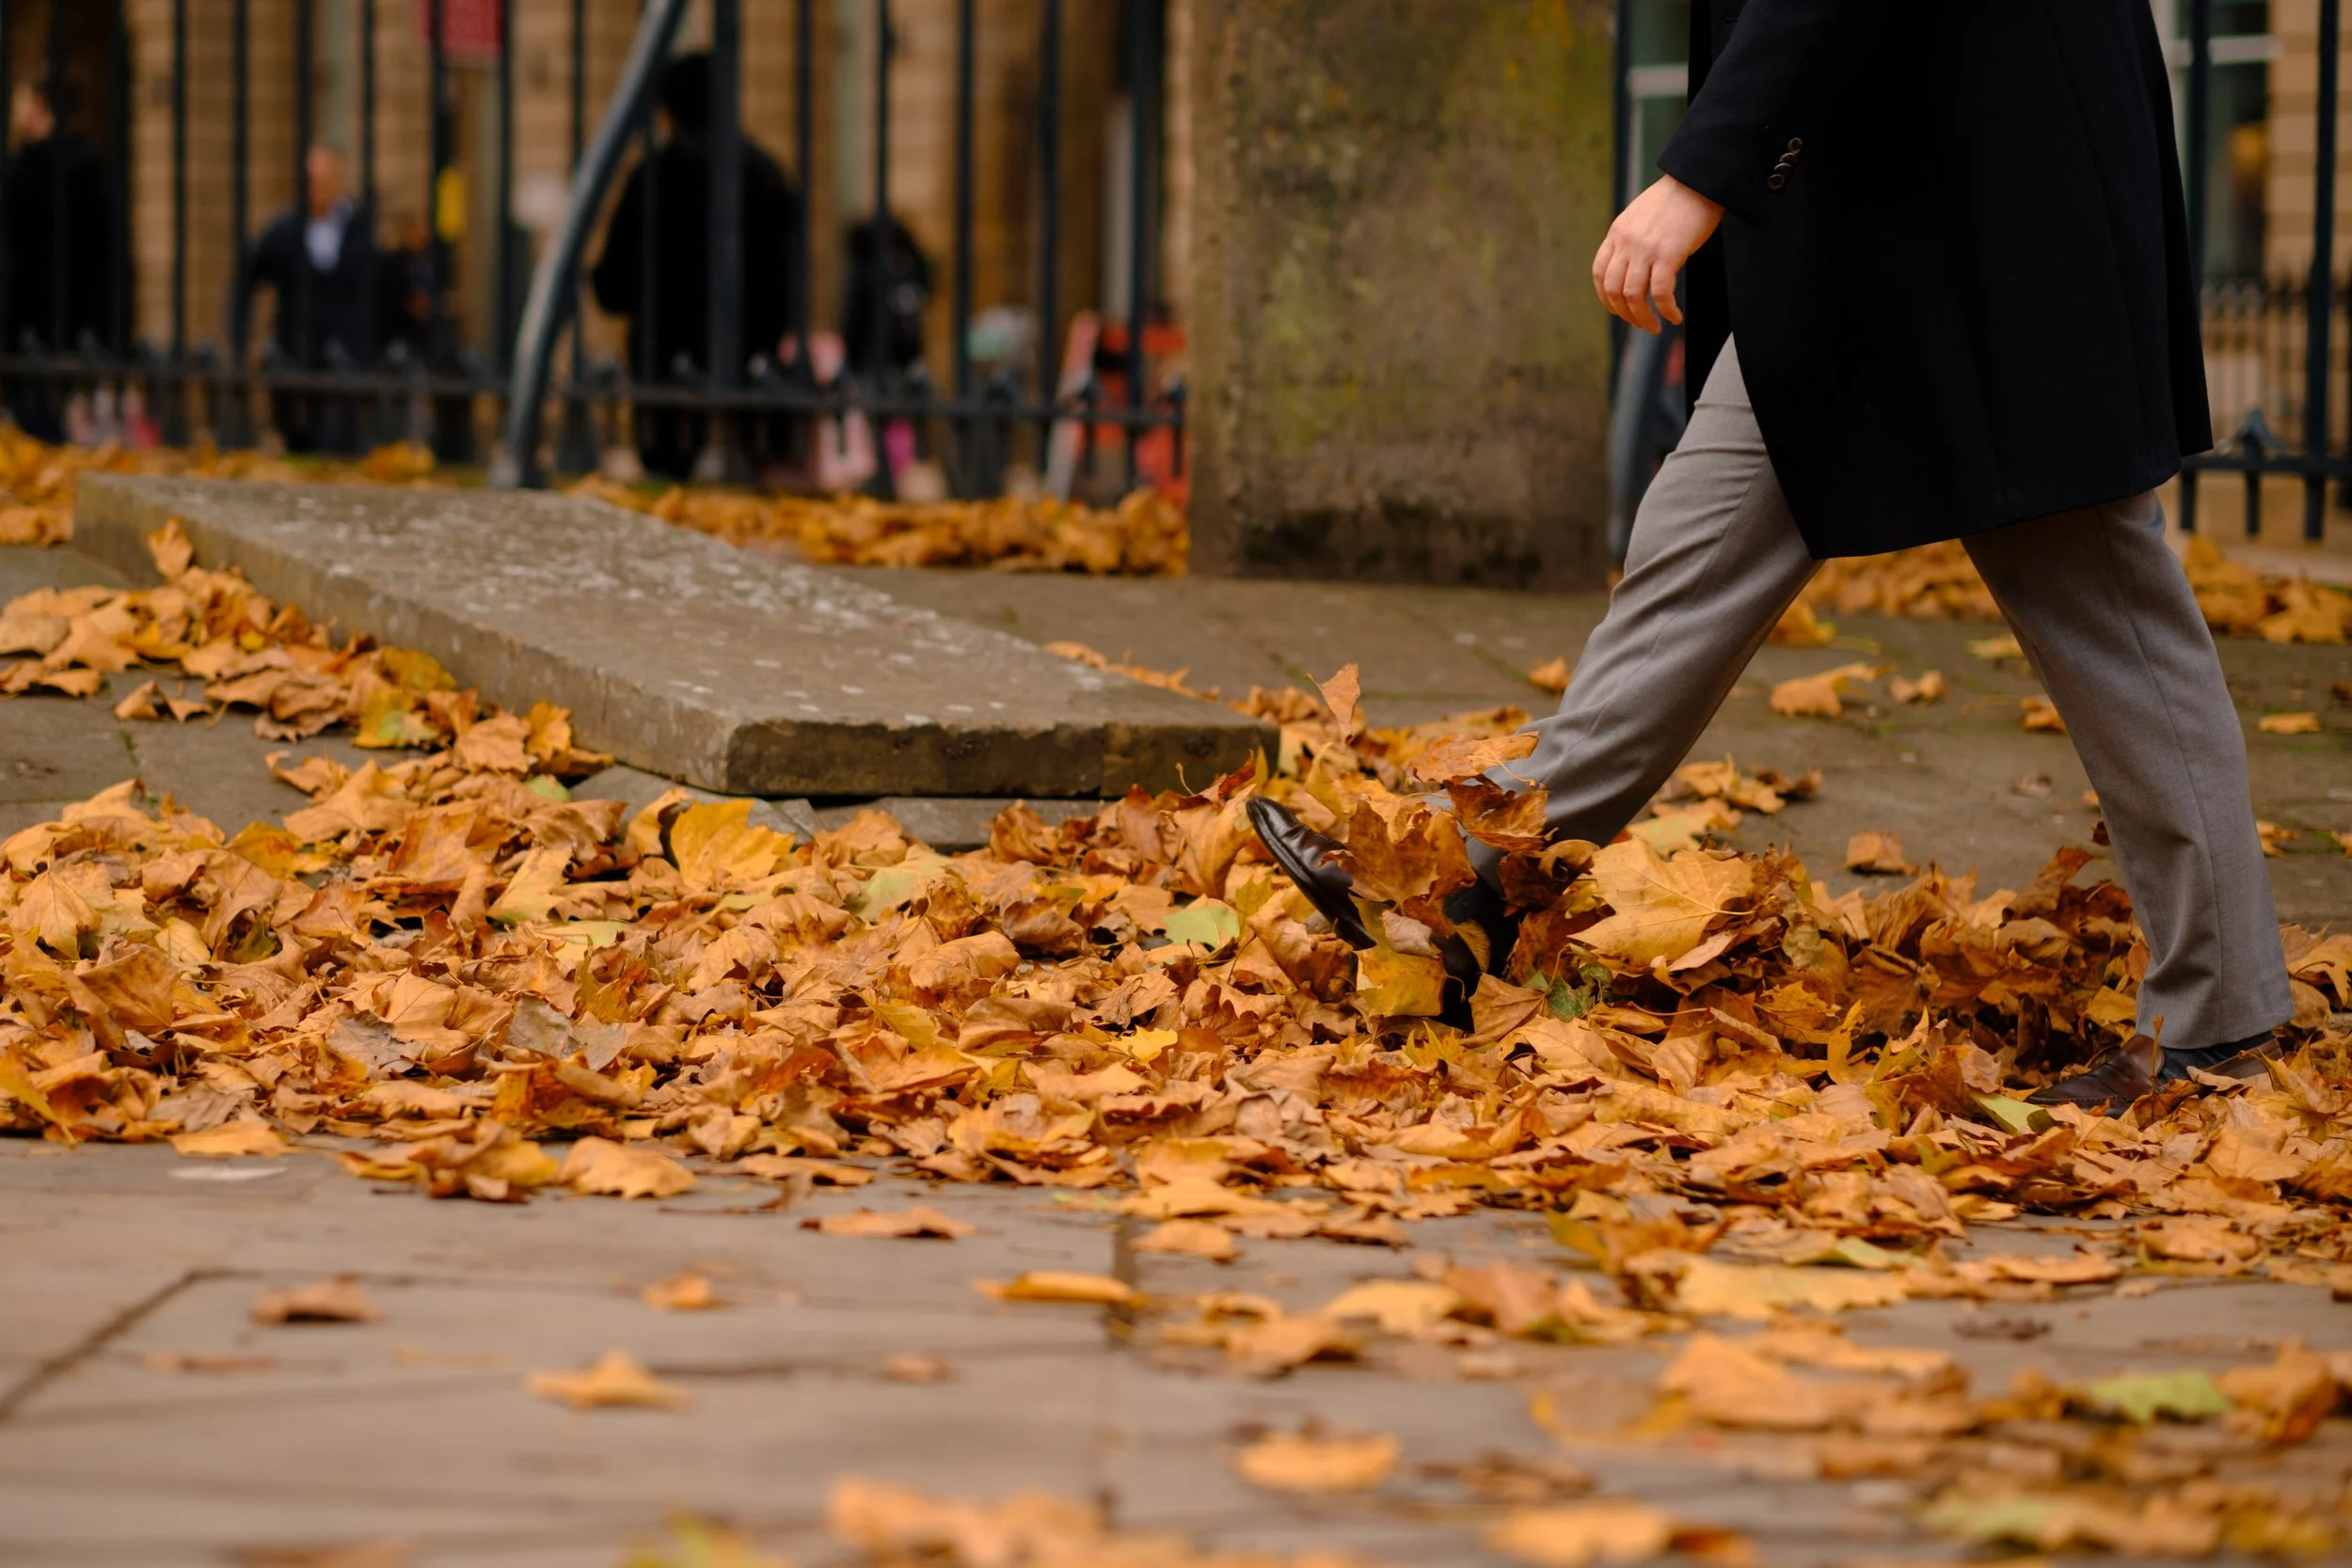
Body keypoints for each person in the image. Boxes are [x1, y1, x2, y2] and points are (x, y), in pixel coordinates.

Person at [1248, 0, 2291, 1115]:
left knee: (2100, 593)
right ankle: (1480, 875)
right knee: (1700, 534)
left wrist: (1700, 175)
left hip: (1989, 192)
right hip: (1885, 205)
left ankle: (2222, 1019)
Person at [592, 51, 802, 481]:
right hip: (748, 362)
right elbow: (786, 279)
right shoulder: (764, 173)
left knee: (668, 483)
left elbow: (613, 281)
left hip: (666, 363)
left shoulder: (653, 175)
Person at [227, 145, 378, 453]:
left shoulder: (359, 229)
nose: (319, 187)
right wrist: (243, 342)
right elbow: (246, 280)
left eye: (326, 179)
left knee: (343, 446)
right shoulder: (286, 230)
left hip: (346, 361)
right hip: (296, 356)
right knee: (299, 442)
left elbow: (374, 293)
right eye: (313, 179)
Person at [3, 78, 110, 442]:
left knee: (31, 418)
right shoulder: (88, 164)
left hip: (24, 310)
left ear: (38, 106)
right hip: (73, 309)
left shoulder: (21, 169)